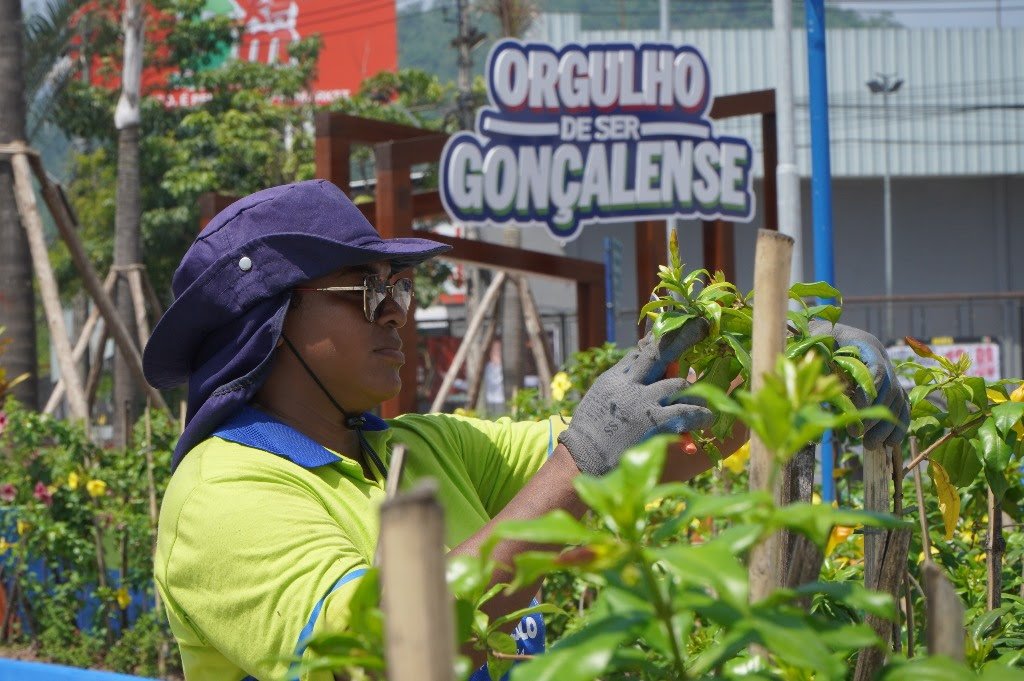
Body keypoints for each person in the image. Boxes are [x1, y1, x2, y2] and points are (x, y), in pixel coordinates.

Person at [144, 179, 908, 681]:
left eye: (400, 289)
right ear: (269, 323)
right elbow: (387, 648)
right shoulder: (221, 494)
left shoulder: (419, 447)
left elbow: (649, 450)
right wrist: (580, 462)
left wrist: (803, 375)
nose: (397, 314)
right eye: (366, 291)